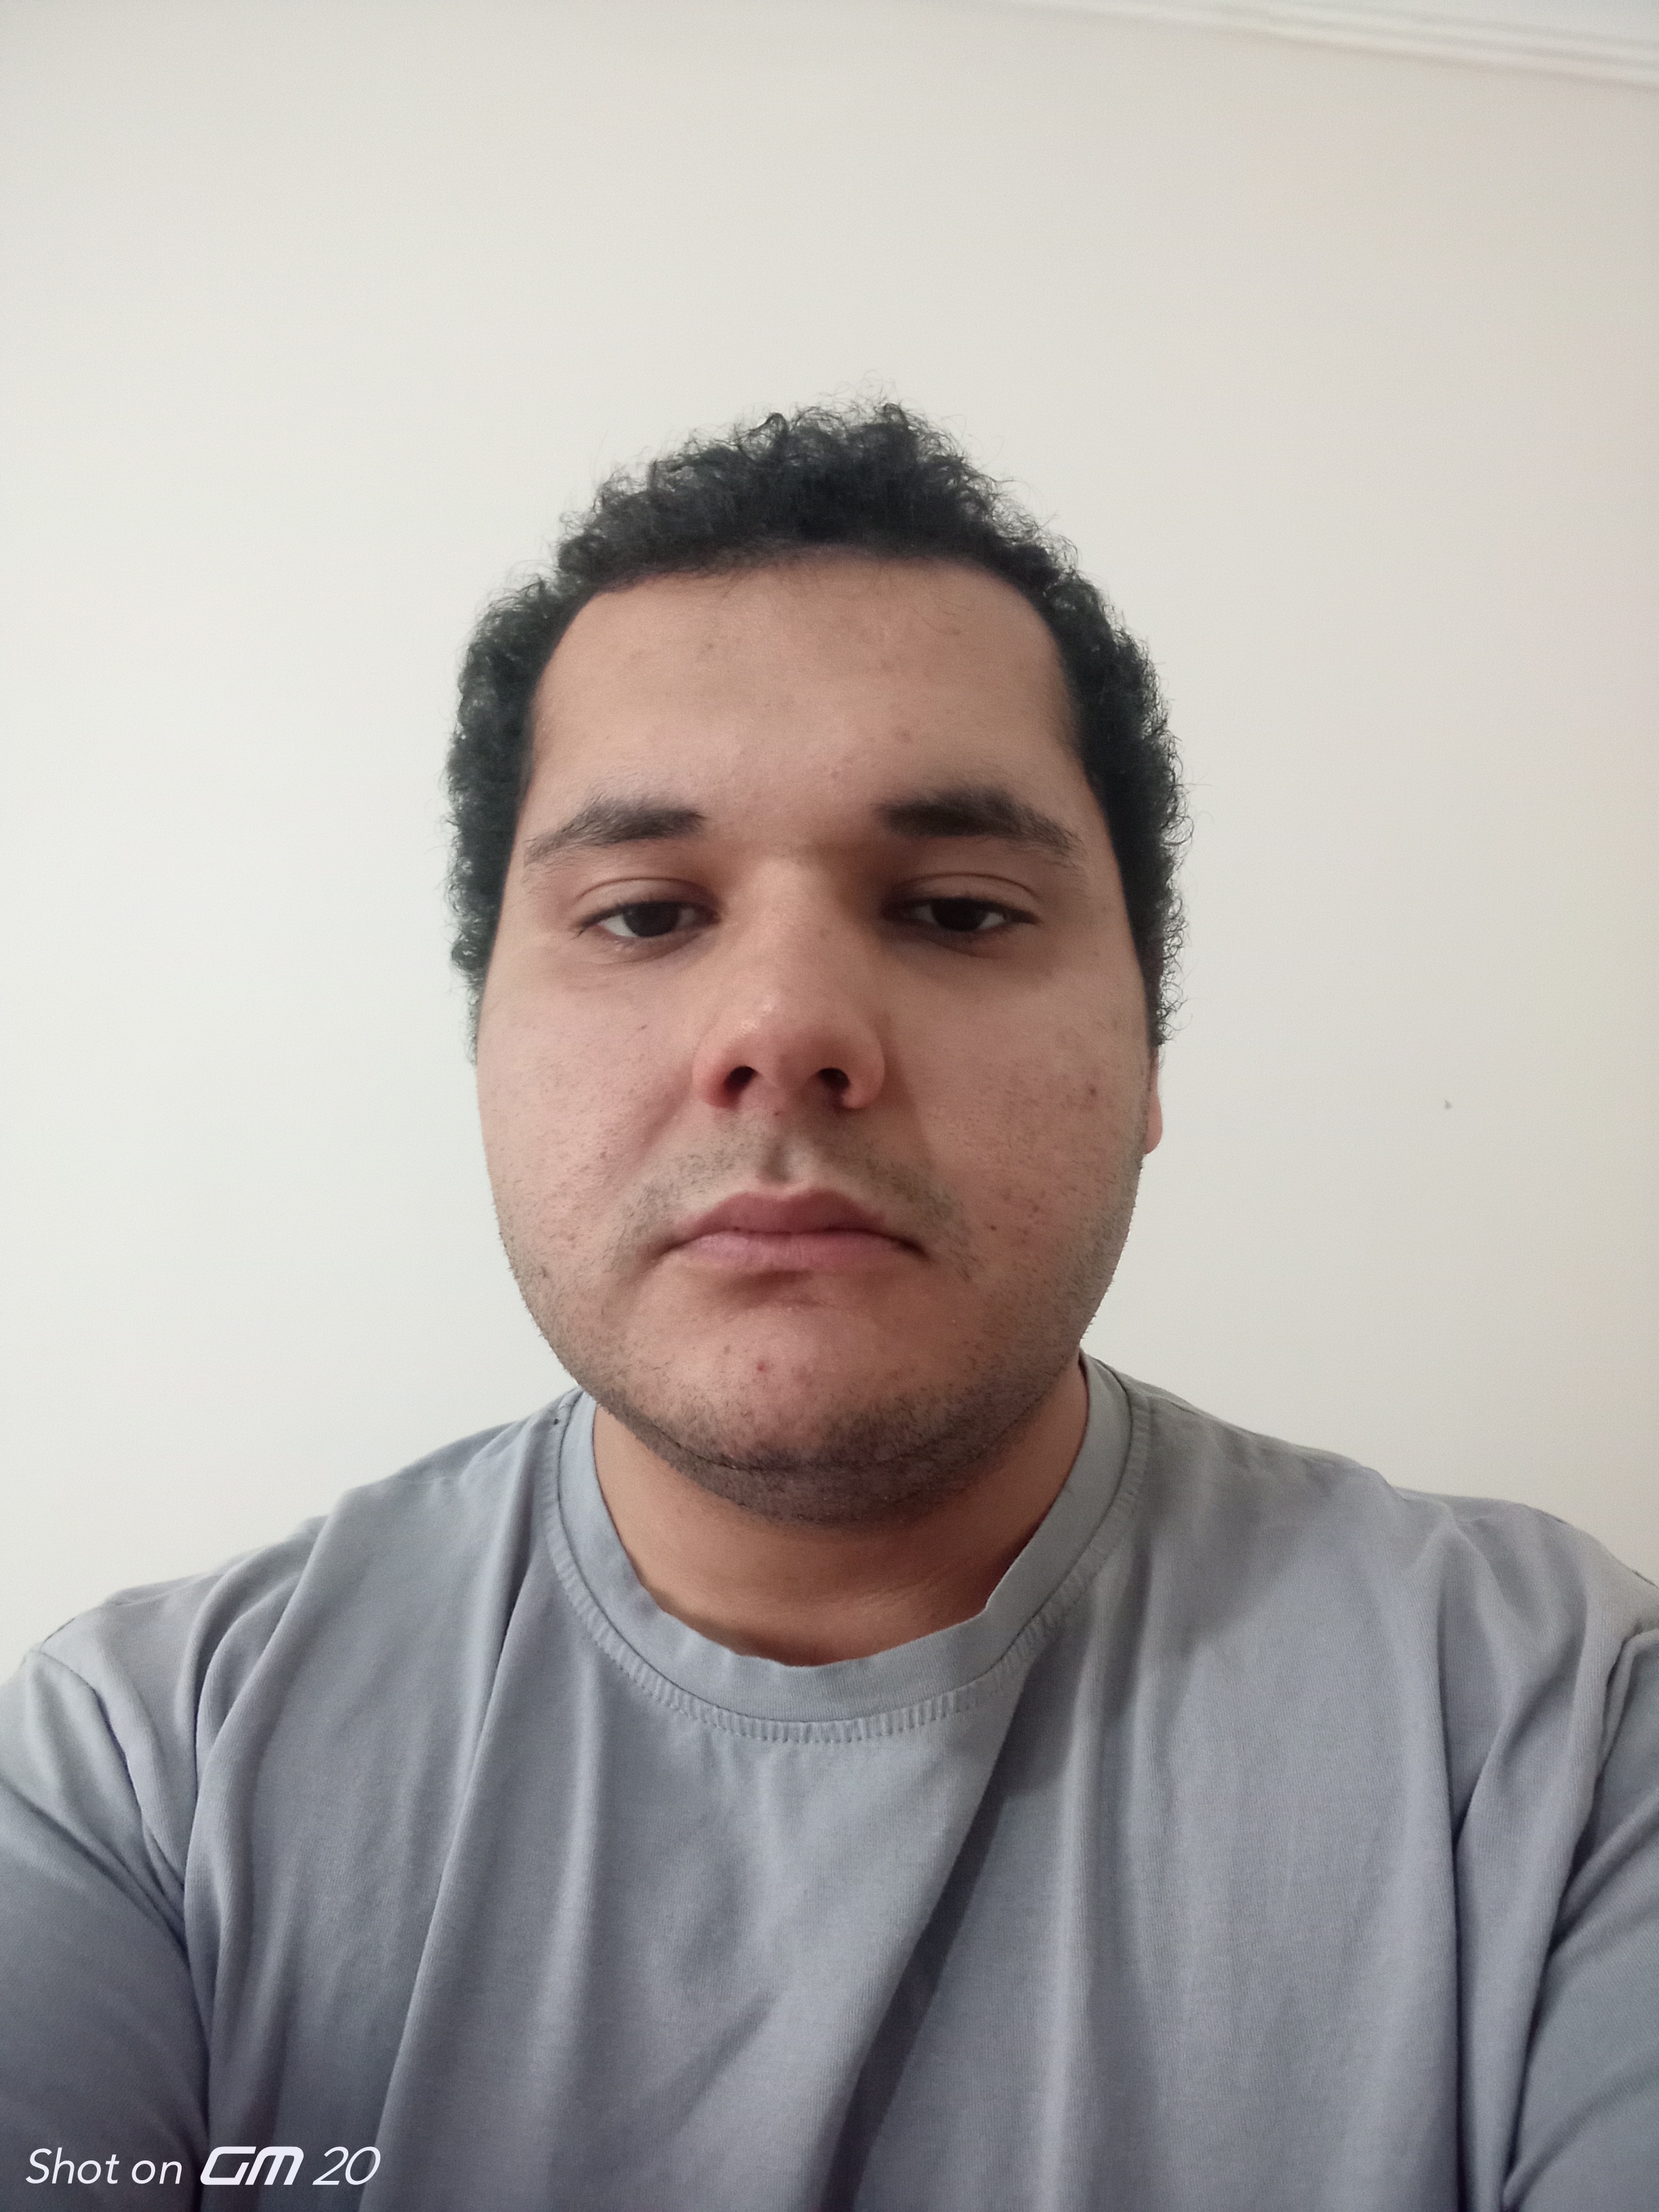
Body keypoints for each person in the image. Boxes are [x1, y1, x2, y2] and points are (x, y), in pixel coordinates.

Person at [1, 403, 1654, 2212]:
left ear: (1149, 1052)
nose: (783, 1030)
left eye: (957, 911)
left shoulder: (1557, 1739)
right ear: (485, 1048)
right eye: (645, 916)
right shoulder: (139, 1778)